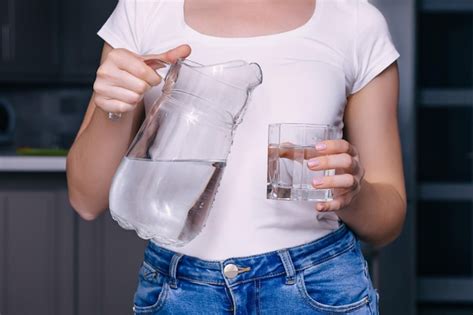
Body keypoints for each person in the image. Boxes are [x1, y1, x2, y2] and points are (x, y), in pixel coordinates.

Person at [66, 0, 406, 313]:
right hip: (179, 292)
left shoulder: (356, 21)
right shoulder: (145, 10)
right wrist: (112, 107)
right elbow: (86, 198)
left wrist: (353, 194)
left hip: (316, 289)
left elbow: (387, 222)